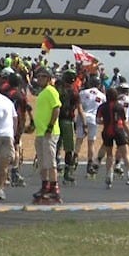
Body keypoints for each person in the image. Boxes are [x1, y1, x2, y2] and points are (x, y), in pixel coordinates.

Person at [96, 87, 129, 190]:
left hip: (107, 131)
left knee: (109, 155)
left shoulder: (102, 107)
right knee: (125, 154)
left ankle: (109, 174)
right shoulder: (119, 107)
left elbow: (98, 120)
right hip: (119, 130)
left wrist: (106, 122)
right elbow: (123, 122)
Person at [32, 67, 62, 204]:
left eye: (42, 77)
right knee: (43, 162)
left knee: (50, 161)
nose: (39, 79)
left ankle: (54, 187)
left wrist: (50, 126)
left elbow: (56, 108)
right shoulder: (42, 92)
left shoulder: (51, 91)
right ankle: (45, 186)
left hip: (49, 132)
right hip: (40, 131)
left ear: (48, 79)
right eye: (38, 77)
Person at [56, 70, 82, 185]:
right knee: (69, 148)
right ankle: (67, 173)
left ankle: (55, 165)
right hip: (68, 121)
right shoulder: (75, 93)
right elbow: (77, 108)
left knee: (56, 145)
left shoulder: (58, 91)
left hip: (57, 120)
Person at [77, 75, 105, 178]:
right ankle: (89, 164)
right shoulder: (102, 95)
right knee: (91, 143)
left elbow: (79, 105)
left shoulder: (83, 92)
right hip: (94, 119)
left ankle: (73, 162)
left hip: (83, 117)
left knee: (79, 141)